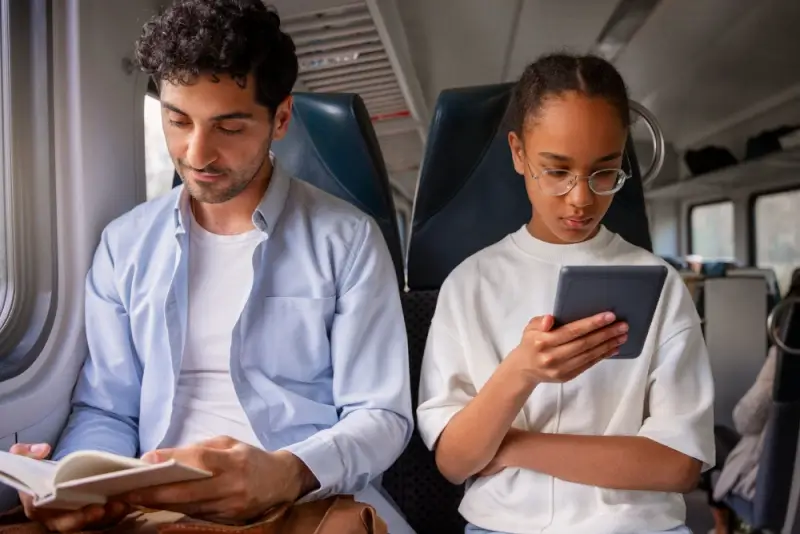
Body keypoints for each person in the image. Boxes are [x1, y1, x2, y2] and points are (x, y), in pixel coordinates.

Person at [9, 1, 414, 532]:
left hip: (300, 503)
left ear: (281, 119)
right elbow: (108, 410)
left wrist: (288, 472)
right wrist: (74, 481)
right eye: (178, 121)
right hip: (154, 510)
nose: (197, 154)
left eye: (229, 127)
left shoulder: (348, 240)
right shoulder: (125, 245)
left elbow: (381, 415)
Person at [416, 53, 715, 534]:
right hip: (505, 526)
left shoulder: (659, 283)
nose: (581, 199)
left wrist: (512, 446)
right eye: (557, 171)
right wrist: (521, 371)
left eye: (604, 172)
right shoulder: (469, 284)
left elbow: (678, 466)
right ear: (519, 154)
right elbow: (455, 463)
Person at [703, 270, 800, 534]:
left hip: (773, 484)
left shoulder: (787, 356)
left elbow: (746, 419)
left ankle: (721, 526)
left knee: (712, 439)